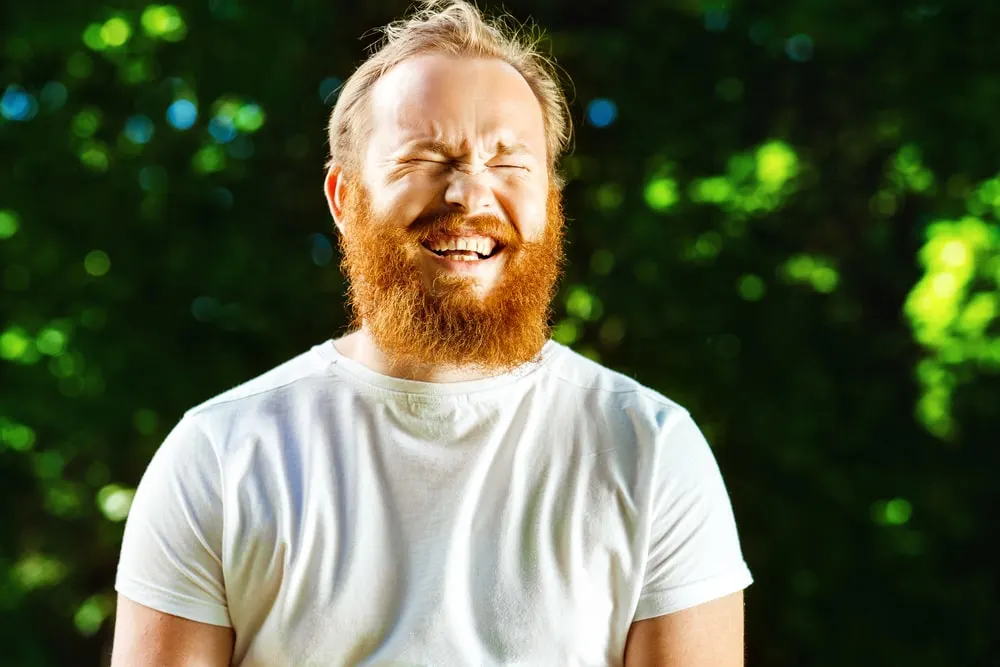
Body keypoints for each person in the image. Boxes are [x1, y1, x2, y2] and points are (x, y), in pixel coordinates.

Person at [111, 1, 753, 665]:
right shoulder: (220, 456)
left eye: (509, 162)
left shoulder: (648, 451)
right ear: (343, 197)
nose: (469, 196)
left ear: (551, 200)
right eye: (425, 157)